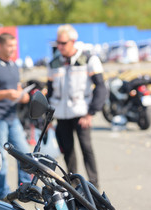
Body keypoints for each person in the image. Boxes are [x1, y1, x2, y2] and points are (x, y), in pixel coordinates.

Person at [46, 24, 107, 188]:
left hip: (81, 114)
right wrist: (47, 119)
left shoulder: (88, 59)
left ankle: (94, 186)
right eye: (57, 43)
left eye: (63, 43)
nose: (59, 46)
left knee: (86, 149)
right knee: (68, 151)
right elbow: (50, 93)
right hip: (61, 114)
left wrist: (90, 113)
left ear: (73, 41)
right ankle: (73, 185)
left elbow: (101, 88)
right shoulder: (53, 63)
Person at [0, 32, 32, 200]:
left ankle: (25, 190)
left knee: (24, 154)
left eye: (14, 46)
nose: (13, 50)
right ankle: (3, 193)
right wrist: (6, 94)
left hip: (12, 116)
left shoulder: (14, 66)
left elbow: (17, 89)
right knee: (1, 157)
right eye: (10, 46)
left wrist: (23, 96)